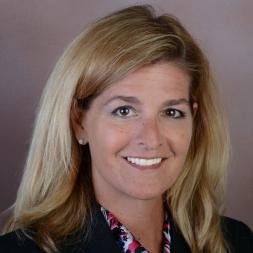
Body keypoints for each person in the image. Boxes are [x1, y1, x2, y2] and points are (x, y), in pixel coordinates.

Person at [0, 4, 252, 253]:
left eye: (171, 112)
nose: (151, 139)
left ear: (194, 119)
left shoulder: (237, 242)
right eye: (124, 111)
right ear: (79, 122)